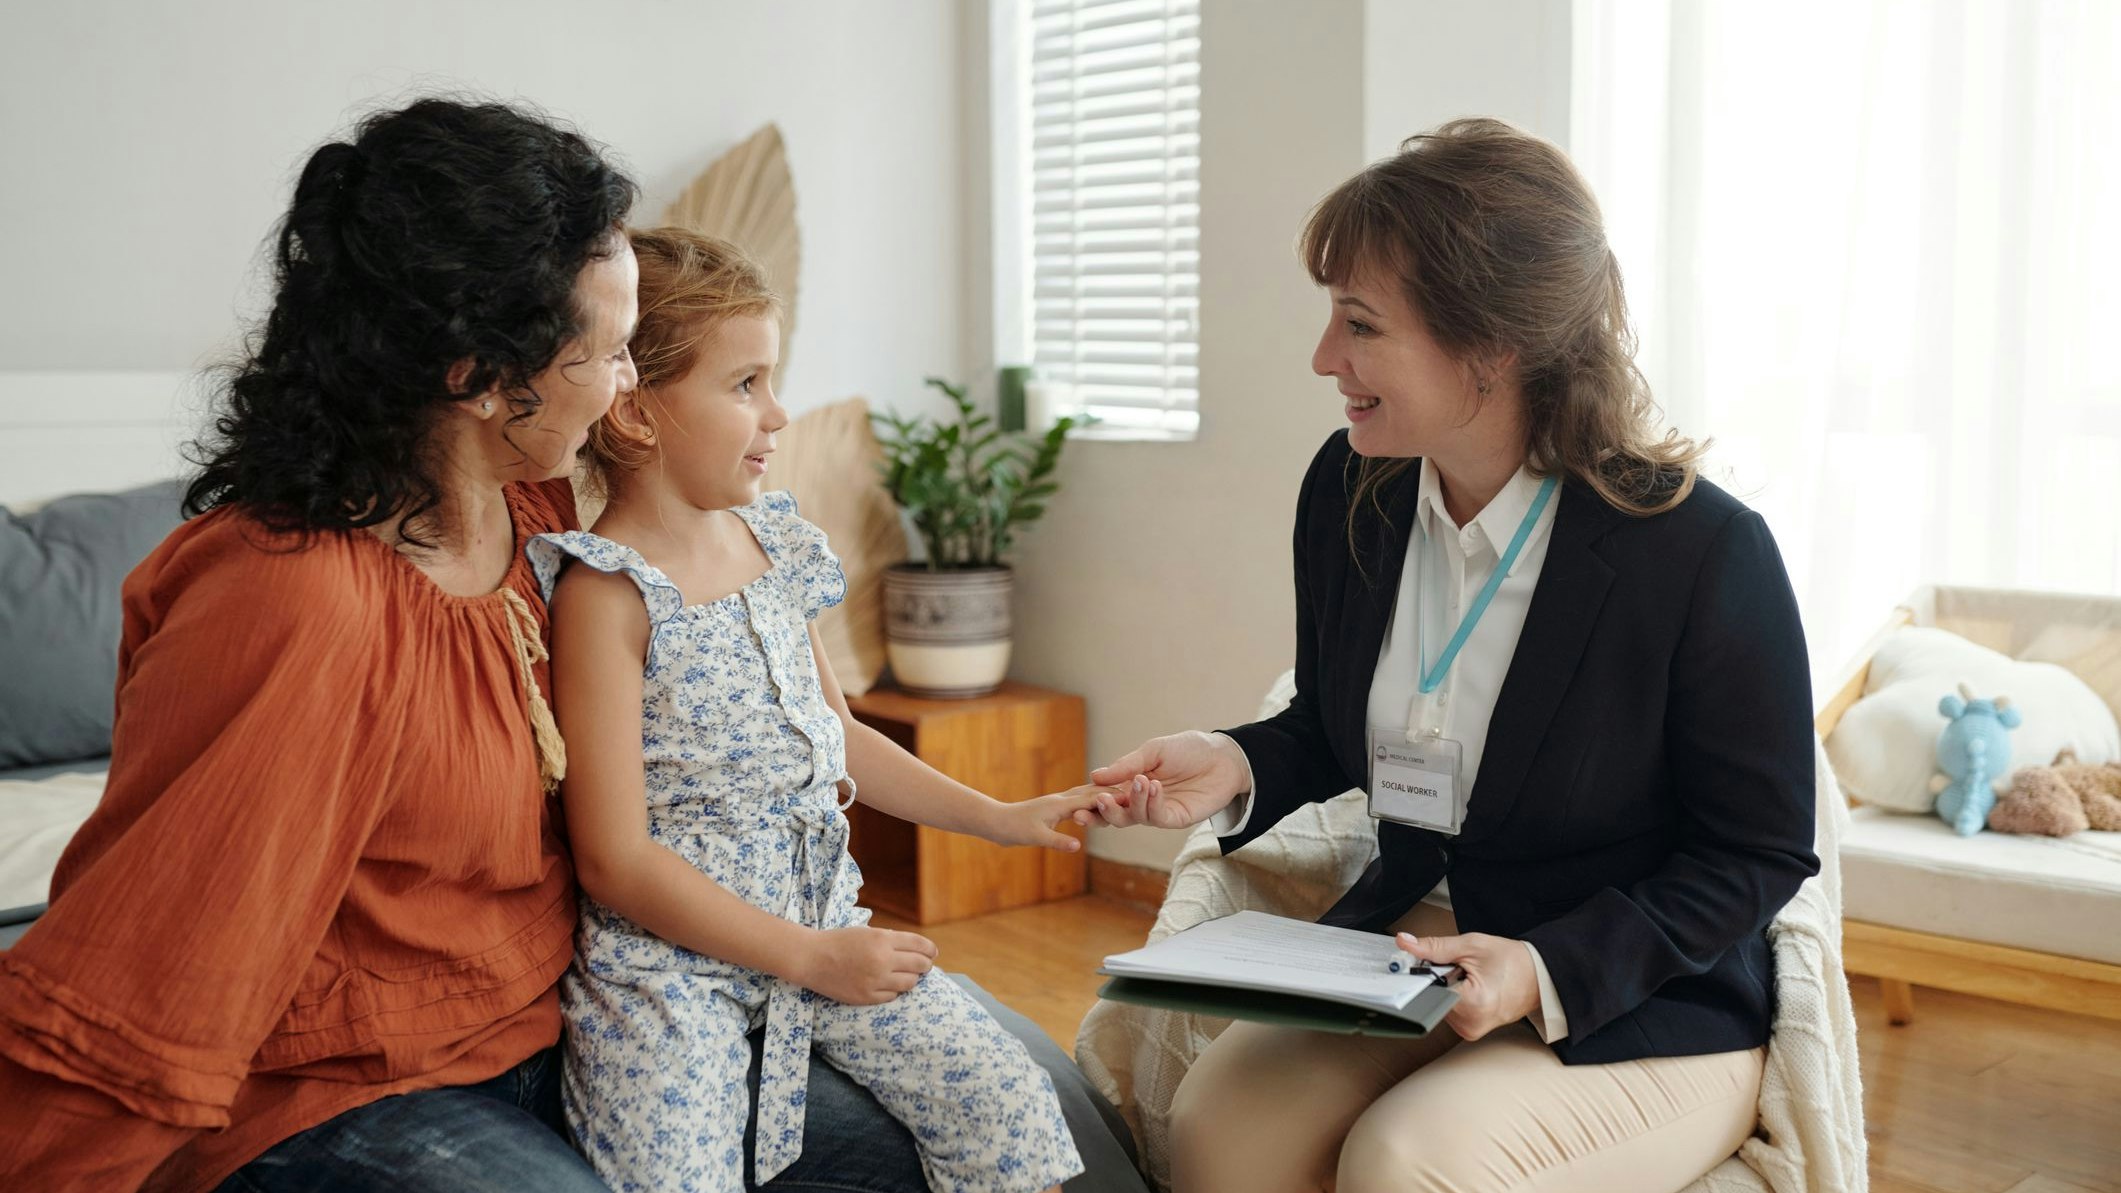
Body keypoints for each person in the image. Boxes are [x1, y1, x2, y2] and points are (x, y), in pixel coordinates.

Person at [1082, 118, 1819, 1193]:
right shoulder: (1353, 487)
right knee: (1218, 1130)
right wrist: (1236, 762)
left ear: (1492, 348)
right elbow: (1337, 723)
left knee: (1405, 1162)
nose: (1325, 357)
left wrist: (1543, 966)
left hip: (1632, 994)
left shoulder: (1700, 551)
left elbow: (1755, 852)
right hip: (1413, 957)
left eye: (1361, 324)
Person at [531, 226, 1093, 1193]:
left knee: (1006, 1100)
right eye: (744, 384)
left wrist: (999, 819)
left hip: (826, 924)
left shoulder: (770, 544)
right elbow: (614, 859)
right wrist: (812, 958)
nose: (778, 413)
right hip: (674, 976)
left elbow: (840, 739)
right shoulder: (604, 595)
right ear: (634, 413)